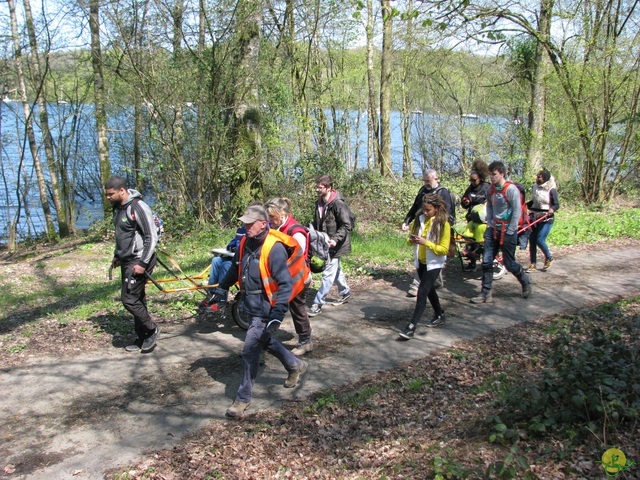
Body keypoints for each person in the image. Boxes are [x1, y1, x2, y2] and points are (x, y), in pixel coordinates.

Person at [209, 205, 308, 418]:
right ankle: (295, 365)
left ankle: (242, 398)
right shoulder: (245, 241)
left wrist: (277, 314)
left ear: (263, 223)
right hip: (250, 304)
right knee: (264, 340)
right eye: (244, 223)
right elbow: (236, 268)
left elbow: (285, 285)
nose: (245, 227)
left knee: (250, 350)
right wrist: (222, 288)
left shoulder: (275, 248)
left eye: (250, 223)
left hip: (267, 306)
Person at [105, 176, 160, 353]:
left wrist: (143, 263)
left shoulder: (138, 207)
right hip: (127, 260)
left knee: (128, 299)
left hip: (140, 259)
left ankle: (152, 330)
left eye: (111, 194)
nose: (108, 197)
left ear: (122, 190)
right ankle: (143, 336)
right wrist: (117, 256)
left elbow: (151, 236)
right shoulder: (118, 208)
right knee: (137, 297)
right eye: (106, 195)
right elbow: (122, 235)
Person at [470, 161, 532, 304]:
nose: (491, 177)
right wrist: (490, 222)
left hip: (508, 231)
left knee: (509, 264)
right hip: (492, 230)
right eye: (490, 175)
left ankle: (525, 281)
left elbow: (517, 210)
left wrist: (511, 229)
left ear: (502, 174)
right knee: (486, 262)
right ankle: (485, 293)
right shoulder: (490, 190)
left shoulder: (511, 190)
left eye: (494, 175)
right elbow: (490, 206)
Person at [264, 197, 314, 356]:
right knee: (273, 306)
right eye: (268, 217)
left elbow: (297, 257)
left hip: (298, 277)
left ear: (282, 214)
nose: (269, 220)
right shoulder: (278, 228)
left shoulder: (295, 231)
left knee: (297, 308)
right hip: (284, 277)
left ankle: (306, 341)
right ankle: (263, 340)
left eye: (272, 217)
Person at [399, 194, 450, 340]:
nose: (425, 212)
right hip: (421, 262)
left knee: (422, 292)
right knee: (429, 290)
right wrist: (411, 239)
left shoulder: (443, 224)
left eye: (429, 210)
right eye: (424, 209)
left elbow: (443, 249)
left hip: (434, 264)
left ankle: (411, 327)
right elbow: (411, 242)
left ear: (436, 208)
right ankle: (439, 314)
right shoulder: (419, 219)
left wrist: (425, 242)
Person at [401, 169, 455, 296]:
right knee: (425, 254)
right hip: (423, 223)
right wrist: (407, 221)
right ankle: (435, 281)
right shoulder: (422, 191)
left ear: (436, 179)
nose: (426, 183)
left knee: (433, 254)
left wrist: (439, 226)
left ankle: (417, 284)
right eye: (424, 181)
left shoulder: (444, 193)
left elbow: (447, 213)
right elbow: (415, 207)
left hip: (438, 228)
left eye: (428, 181)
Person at [308, 175, 353, 317]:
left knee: (328, 274)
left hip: (337, 244)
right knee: (335, 270)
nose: (317, 189)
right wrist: (310, 230)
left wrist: (335, 239)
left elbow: (347, 225)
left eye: (320, 187)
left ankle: (318, 303)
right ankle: (345, 292)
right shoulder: (319, 203)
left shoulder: (338, 204)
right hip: (325, 242)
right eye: (317, 186)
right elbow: (318, 223)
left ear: (328, 187)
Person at [201, 226, 246, 306]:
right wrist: (231, 246)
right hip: (234, 257)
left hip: (242, 262)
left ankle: (221, 297)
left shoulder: (255, 230)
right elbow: (234, 241)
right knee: (216, 260)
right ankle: (211, 293)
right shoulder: (241, 229)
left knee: (225, 265)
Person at [459, 160, 491, 270]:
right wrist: (465, 202)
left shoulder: (487, 187)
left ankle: (480, 257)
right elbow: (464, 202)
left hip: (483, 220)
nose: (471, 182)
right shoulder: (470, 188)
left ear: (480, 178)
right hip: (471, 218)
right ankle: (471, 262)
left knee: (479, 239)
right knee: (469, 238)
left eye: (474, 180)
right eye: (470, 180)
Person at [527, 167, 560, 272]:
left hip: (546, 218)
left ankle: (549, 257)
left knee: (540, 240)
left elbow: (556, 204)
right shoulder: (535, 187)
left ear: (545, 178)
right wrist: (525, 205)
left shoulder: (551, 189)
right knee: (532, 240)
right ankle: (533, 264)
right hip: (535, 217)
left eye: (540, 177)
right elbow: (534, 201)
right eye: (537, 176)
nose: (537, 178)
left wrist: (551, 209)